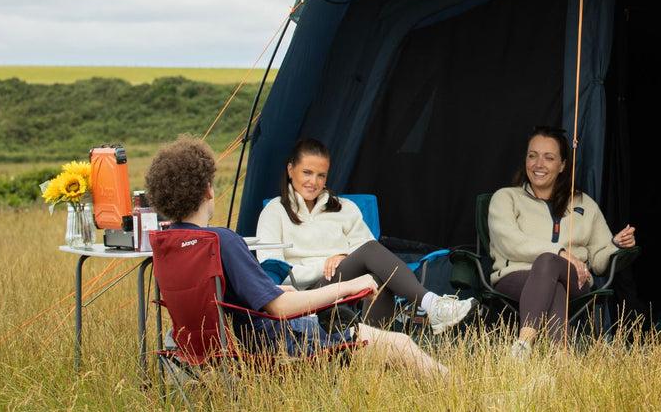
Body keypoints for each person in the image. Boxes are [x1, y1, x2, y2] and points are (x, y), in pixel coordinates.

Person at [144, 136, 448, 378]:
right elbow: (278, 309)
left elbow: (228, 296)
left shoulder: (167, 243)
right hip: (275, 340)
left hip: (219, 343)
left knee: (373, 342)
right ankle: (460, 393)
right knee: (401, 345)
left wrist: (277, 289)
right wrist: (348, 287)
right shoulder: (220, 240)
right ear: (209, 191)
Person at [255, 138, 473, 332]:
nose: (314, 182)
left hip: (347, 282)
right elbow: (270, 270)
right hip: (303, 291)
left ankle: (373, 352)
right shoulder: (275, 211)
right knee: (369, 252)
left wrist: (344, 259)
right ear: (290, 169)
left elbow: (370, 257)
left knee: (379, 277)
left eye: (321, 175)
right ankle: (432, 305)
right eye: (307, 172)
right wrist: (325, 265)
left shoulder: (344, 208)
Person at [488, 126, 637, 354]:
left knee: (550, 265)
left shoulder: (584, 204)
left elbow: (598, 262)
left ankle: (523, 346)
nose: (539, 164)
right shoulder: (506, 198)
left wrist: (615, 245)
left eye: (549, 158)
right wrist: (559, 253)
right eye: (532, 156)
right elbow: (509, 241)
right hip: (515, 276)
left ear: (562, 165)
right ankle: (560, 361)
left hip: (575, 280)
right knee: (553, 283)